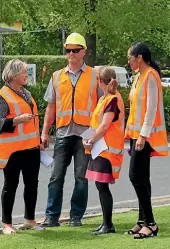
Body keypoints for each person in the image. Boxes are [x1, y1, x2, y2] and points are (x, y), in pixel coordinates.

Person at [40, 32, 102, 227]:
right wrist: (44, 132)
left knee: (81, 178)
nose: (71, 54)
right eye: (68, 50)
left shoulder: (94, 76)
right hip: (63, 133)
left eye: (75, 50)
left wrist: (95, 134)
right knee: (56, 177)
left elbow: (102, 105)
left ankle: (76, 217)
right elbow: (51, 106)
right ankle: (51, 217)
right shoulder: (57, 76)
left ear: (84, 52)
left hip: (85, 133)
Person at [0, 59, 45, 234]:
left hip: (31, 148)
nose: (26, 75)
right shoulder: (2, 96)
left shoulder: (26, 94)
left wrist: (40, 140)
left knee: (32, 185)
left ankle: (30, 220)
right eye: (23, 72)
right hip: (13, 151)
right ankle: (7, 224)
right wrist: (17, 120)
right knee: (10, 186)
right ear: (13, 75)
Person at [125, 42, 168, 239]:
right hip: (136, 135)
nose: (128, 61)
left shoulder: (150, 75)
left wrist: (143, 135)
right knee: (142, 177)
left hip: (144, 136)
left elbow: (151, 109)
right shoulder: (139, 77)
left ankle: (150, 223)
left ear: (139, 57)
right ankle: (143, 220)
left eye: (130, 57)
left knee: (135, 176)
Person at [83, 66, 125, 235]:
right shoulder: (106, 99)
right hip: (101, 148)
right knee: (101, 187)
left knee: (102, 187)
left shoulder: (112, 100)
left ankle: (108, 224)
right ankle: (105, 223)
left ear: (100, 81)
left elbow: (105, 125)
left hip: (105, 149)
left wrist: (91, 140)